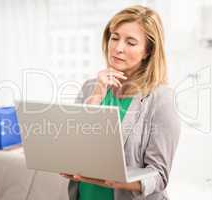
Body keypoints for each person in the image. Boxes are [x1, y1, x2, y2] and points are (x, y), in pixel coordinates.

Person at [60, 5, 181, 200]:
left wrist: (117, 180)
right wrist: (98, 94)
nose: (118, 48)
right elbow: (76, 144)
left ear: (148, 51)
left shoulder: (161, 99)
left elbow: (159, 175)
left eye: (131, 42)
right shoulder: (91, 86)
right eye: (114, 38)